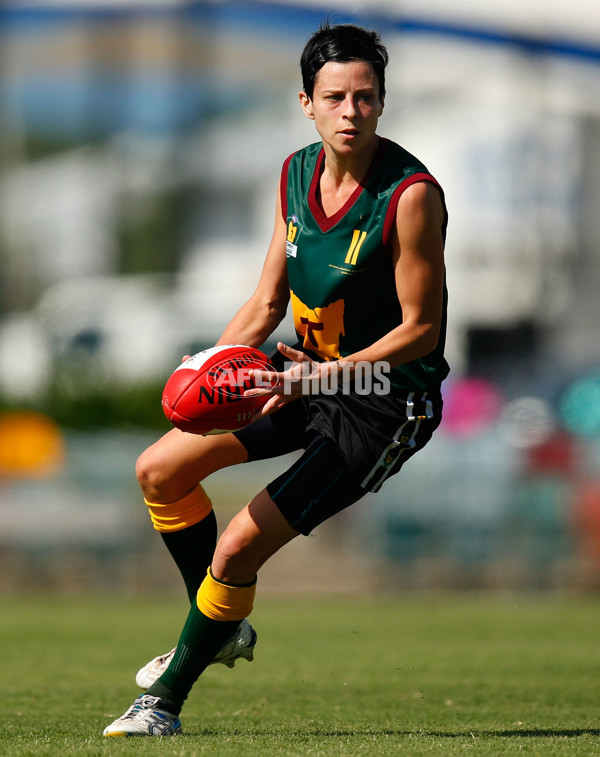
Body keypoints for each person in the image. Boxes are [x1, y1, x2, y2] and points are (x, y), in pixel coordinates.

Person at [103, 21, 449, 737]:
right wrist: (207, 370)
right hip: (296, 376)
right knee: (160, 468)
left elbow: (422, 330)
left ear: (382, 102)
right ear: (306, 102)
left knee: (236, 546)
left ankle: (163, 701)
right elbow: (266, 303)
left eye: (365, 97)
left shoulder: (410, 195)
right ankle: (222, 624)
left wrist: (321, 379)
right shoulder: (294, 175)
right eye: (335, 97)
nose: (351, 111)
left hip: (384, 404)